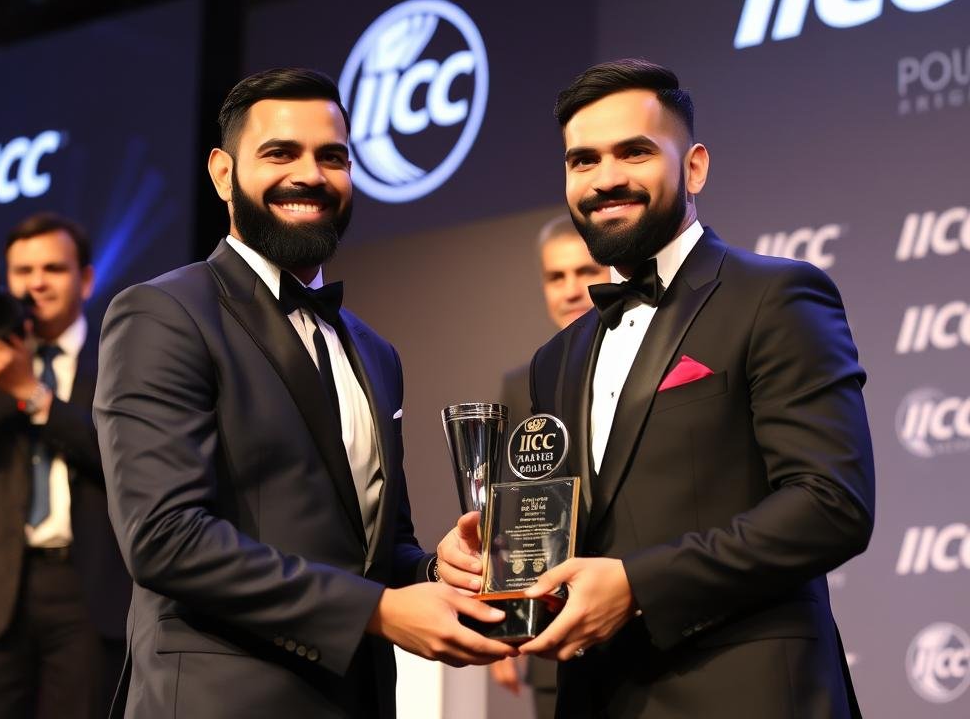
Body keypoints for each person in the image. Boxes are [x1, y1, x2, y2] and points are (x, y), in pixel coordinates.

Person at [438, 58, 874, 718]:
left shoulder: (774, 296)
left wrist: (638, 585)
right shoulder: (557, 358)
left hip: (747, 693)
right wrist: (494, 557)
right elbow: (568, 535)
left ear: (693, 166)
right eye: (583, 161)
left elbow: (831, 503)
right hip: (597, 699)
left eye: (634, 152)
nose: (606, 178)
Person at [93, 68, 515, 719]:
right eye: (280, 153)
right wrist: (376, 610)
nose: (311, 175)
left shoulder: (375, 352)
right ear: (222, 172)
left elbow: (373, 549)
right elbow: (165, 537)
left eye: (333, 157)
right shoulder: (162, 313)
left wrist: (436, 571)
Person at [0, 213, 130, 718]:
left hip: (89, 588)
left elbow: (127, 460)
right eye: (23, 271)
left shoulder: (122, 355)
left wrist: (30, 392)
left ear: (86, 279)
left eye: (53, 268)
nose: (37, 283)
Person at [491, 215, 608, 718]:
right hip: (550, 631)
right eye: (556, 277)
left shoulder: (650, 365)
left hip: (643, 616)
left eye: (585, 271)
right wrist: (507, 620)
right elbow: (513, 511)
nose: (571, 290)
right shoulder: (521, 386)